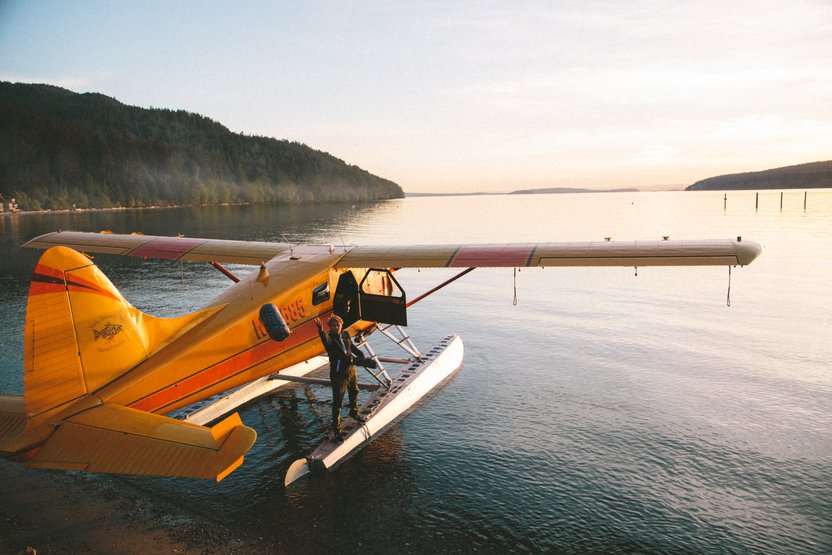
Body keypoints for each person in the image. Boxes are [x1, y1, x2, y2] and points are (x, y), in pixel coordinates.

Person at [315, 315, 366, 442]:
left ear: (341, 325)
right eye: (333, 326)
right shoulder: (330, 339)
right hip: (339, 374)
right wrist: (321, 331)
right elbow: (325, 339)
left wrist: (360, 354)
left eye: (337, 325)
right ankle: (337, 431)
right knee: (338, 403)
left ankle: (354, 412)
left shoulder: (345, 334)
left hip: (351, 369)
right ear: (329, 327)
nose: (335, 328)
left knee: (354, 391)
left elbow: (351, 347)